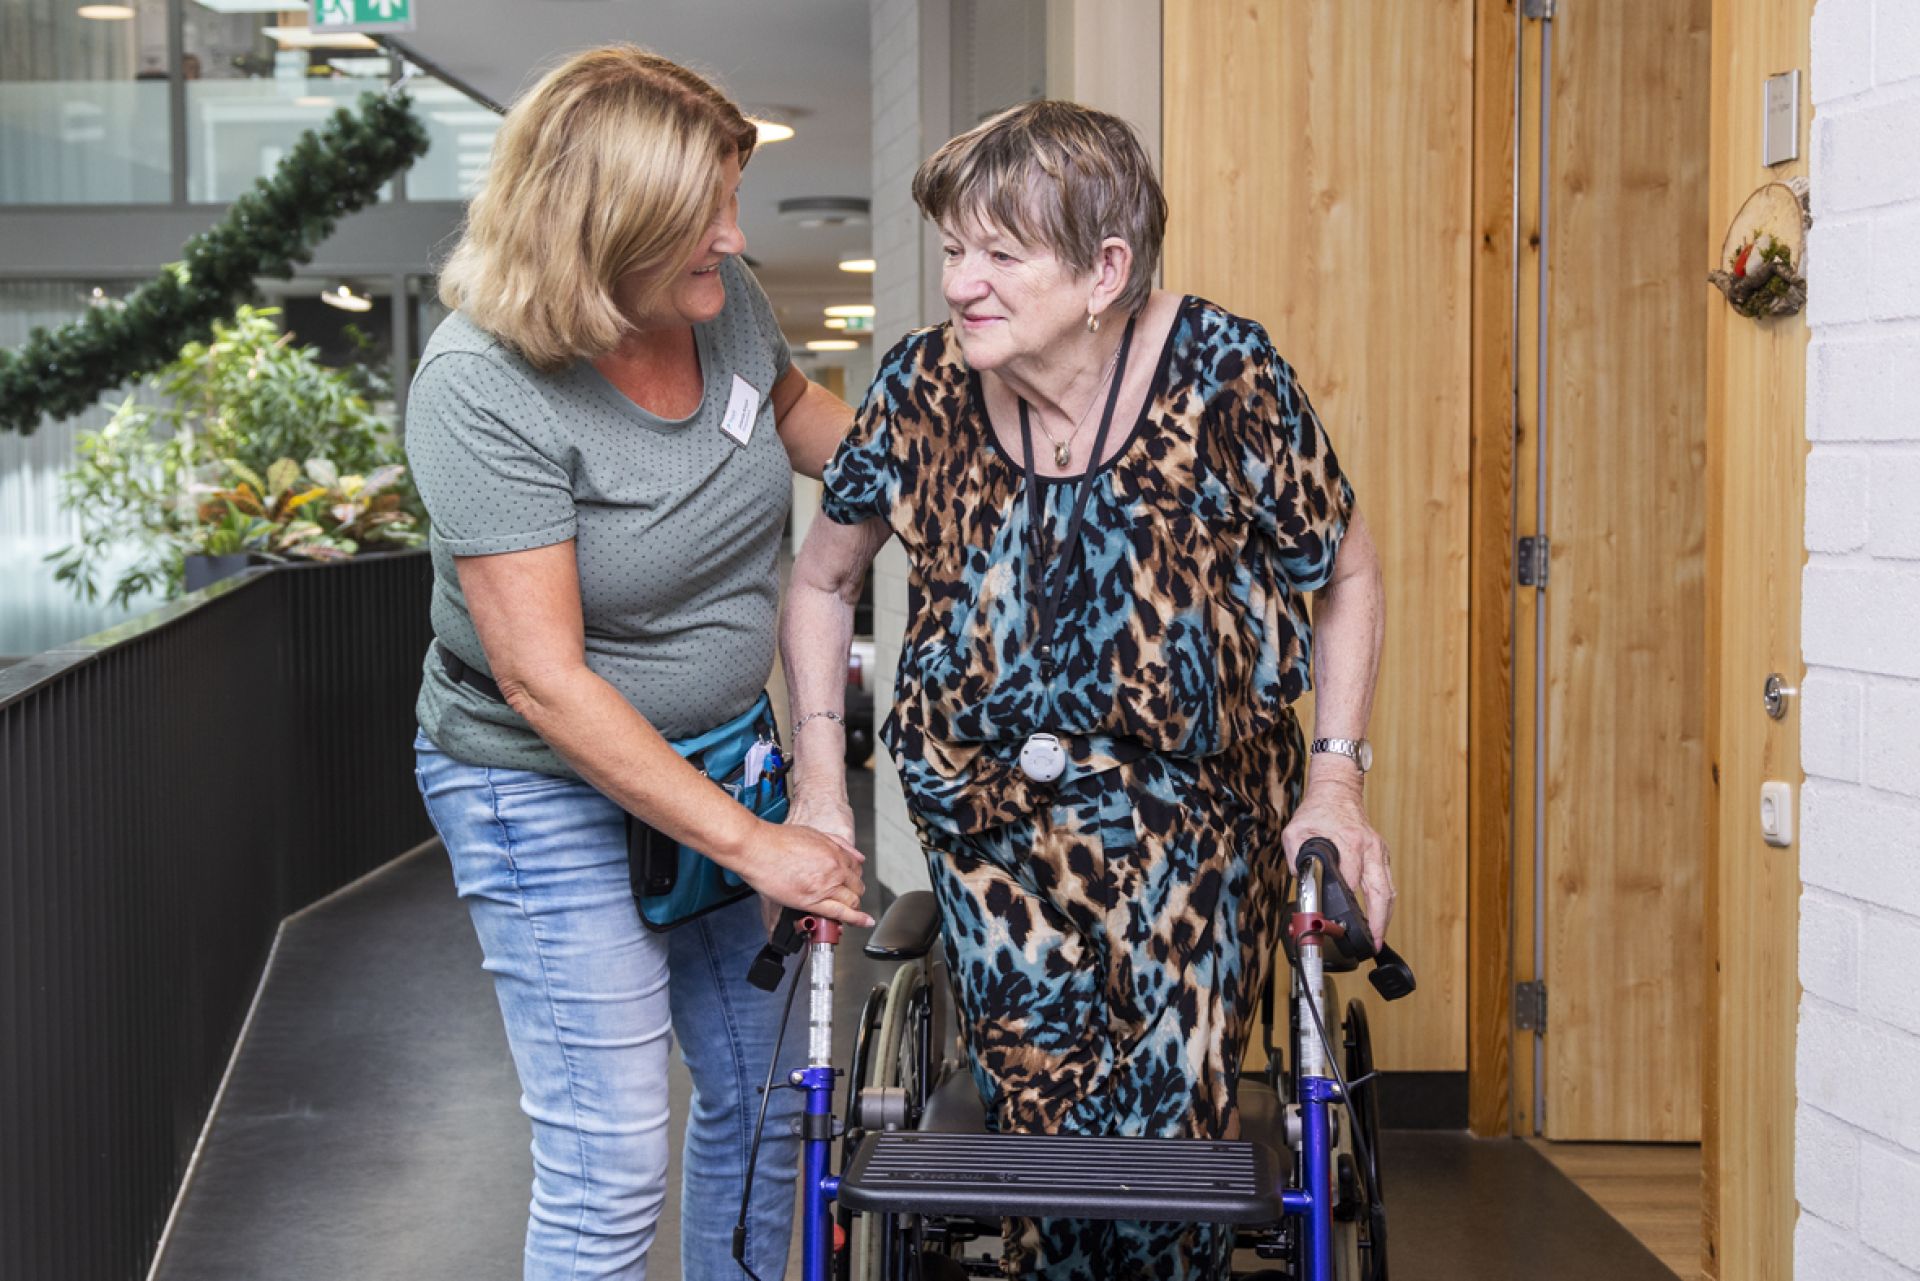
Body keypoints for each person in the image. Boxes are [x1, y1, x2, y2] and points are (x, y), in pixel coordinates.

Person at [779, 99, 1394, 1279]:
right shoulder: (920, 392)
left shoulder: (1224, 376)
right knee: (1043, 1153)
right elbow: (821, 582)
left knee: (1164, 1166)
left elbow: (1347, 569)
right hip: (987, 829)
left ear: (1106, 267)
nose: (962, 283)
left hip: (1193, 833)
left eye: (1001, 255)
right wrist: (821, 780)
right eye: (956, 251)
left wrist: (1335, 782)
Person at [406, 45, 870, 1281]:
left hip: (722, 744)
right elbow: (545, 681)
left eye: (731, 201)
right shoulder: (480, 387)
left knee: (768, 1101)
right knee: (609, 1166)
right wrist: (754, 841)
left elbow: (796, 415)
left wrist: (967, 491)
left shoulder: (720, 305)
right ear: (603, 225)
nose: (730, 234)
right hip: (540, 780)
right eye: (702, 213)